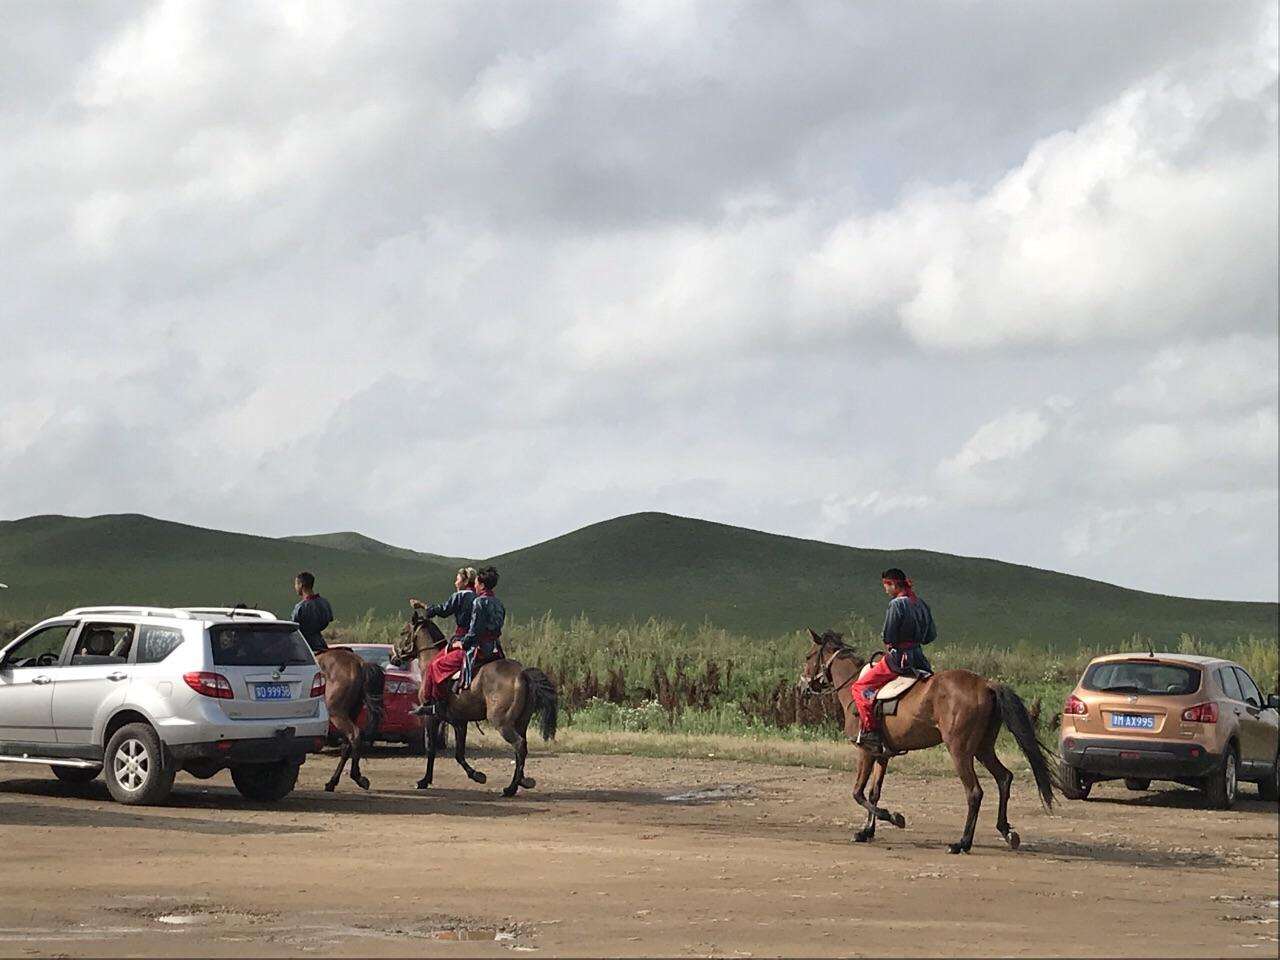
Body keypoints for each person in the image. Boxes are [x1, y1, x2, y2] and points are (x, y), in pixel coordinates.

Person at [849, 567, 936, 752]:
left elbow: (889, 636)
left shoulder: (896, 605)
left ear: (894, 584)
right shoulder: (921, 604)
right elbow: (930, 636)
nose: (886, 590)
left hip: (899, 659)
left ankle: (870, 732)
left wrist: (891, 643)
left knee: (860, 687)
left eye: (886, 586)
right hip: (919, 659)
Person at [410, 565, 506, 717]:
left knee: (435, 665)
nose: (474, 585)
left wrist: (462, 643)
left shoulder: (477, 601)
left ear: (480, 584)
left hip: (477, 647)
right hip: (494, 648)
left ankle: (436, 705)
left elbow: (473, 631)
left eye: (476, 582)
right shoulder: (498, 603)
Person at [407, 566, 478, 706]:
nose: (455, 583)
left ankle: (434, 703)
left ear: (465, 582)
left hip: (463, 640)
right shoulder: (479, 597)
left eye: (457, 579)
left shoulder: (460, 596)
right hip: (482, 643)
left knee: (433, 665)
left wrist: (423, 606)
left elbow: (443, 610)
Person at [291, 571, 335, 653]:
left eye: (296, 584)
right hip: (321, 643)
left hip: (306, 646)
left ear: (301, 585)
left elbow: (293, 628)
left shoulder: (300, 607)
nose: (295, 587)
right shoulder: (325, 603)